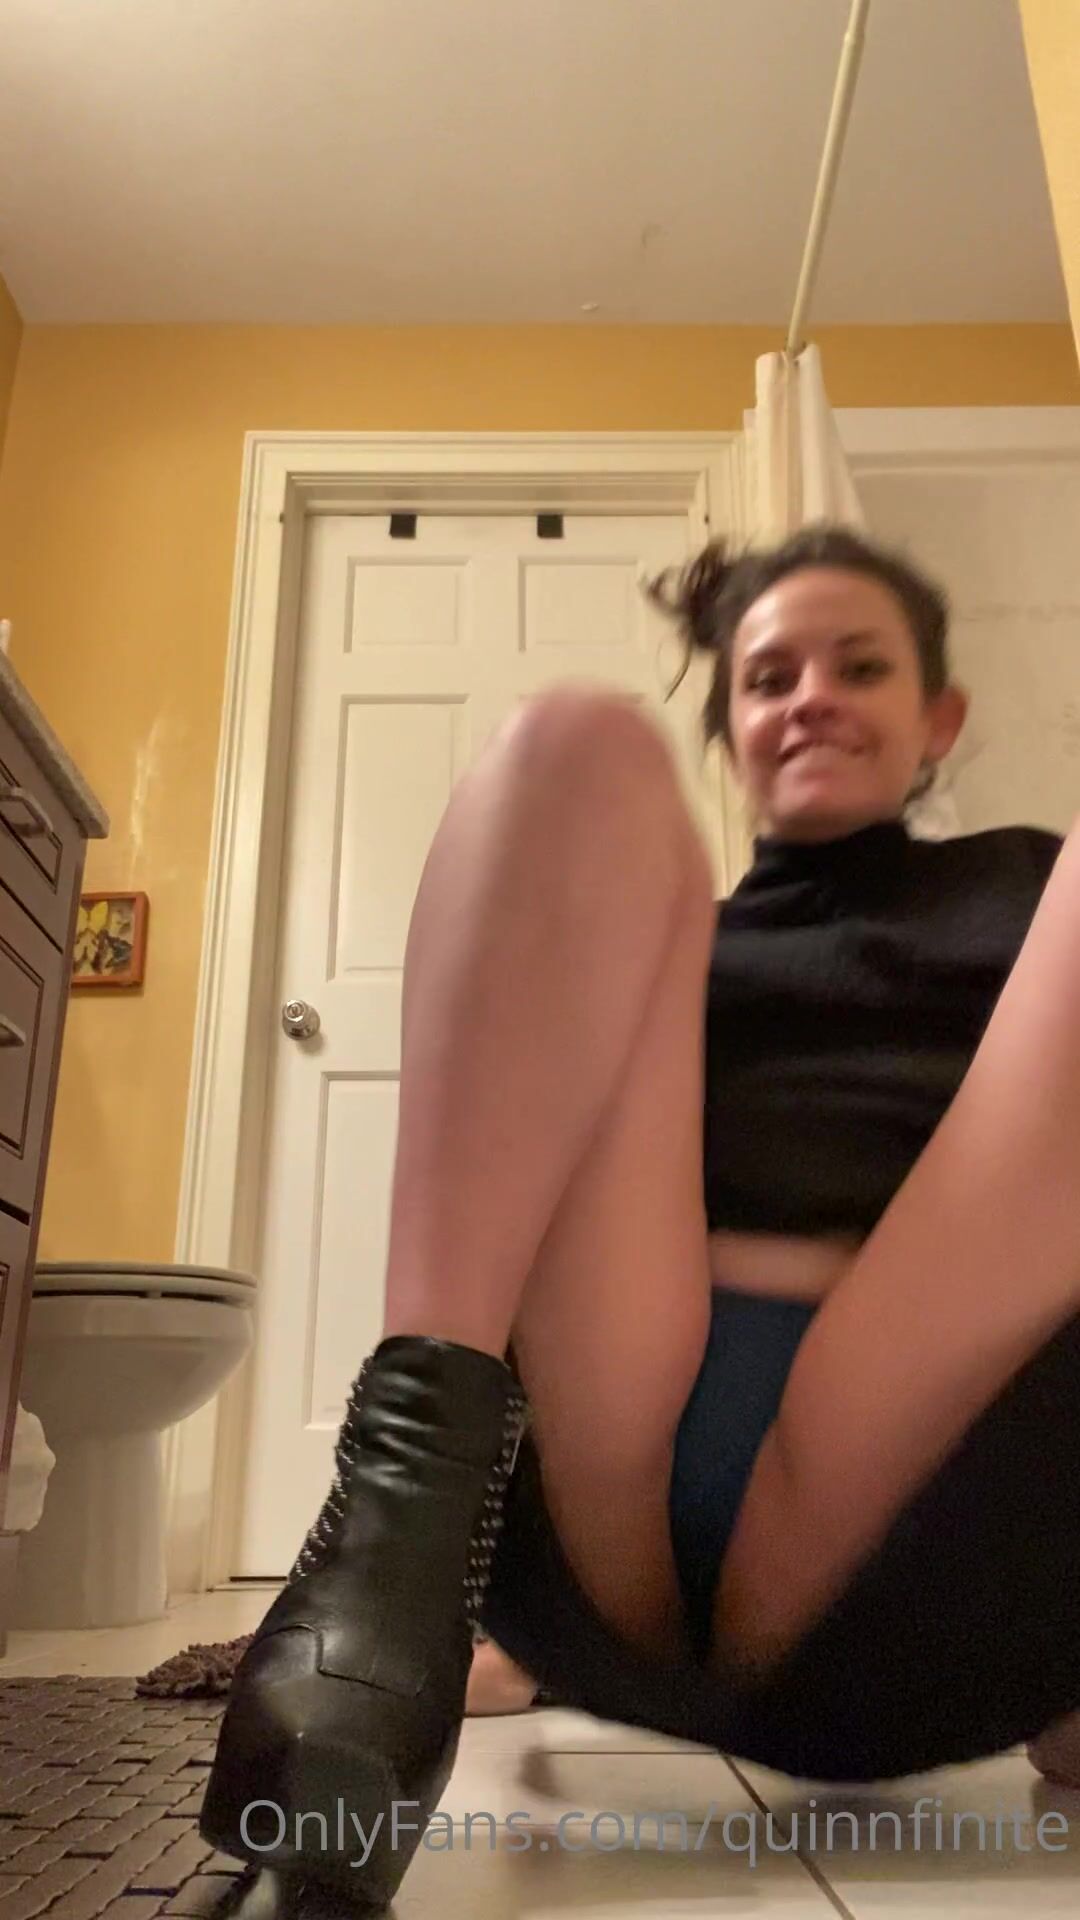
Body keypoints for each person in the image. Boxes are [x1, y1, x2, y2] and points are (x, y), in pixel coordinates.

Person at [200, 525, 1080, 1913]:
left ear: (939, 720)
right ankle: (397, 1548)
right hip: (608, 1504)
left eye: (860, 667)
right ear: (730, 731)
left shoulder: (1029, 901)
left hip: (935, 1535)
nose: (811, 698)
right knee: (576, 747)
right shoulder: (651, 934)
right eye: (769, 677)